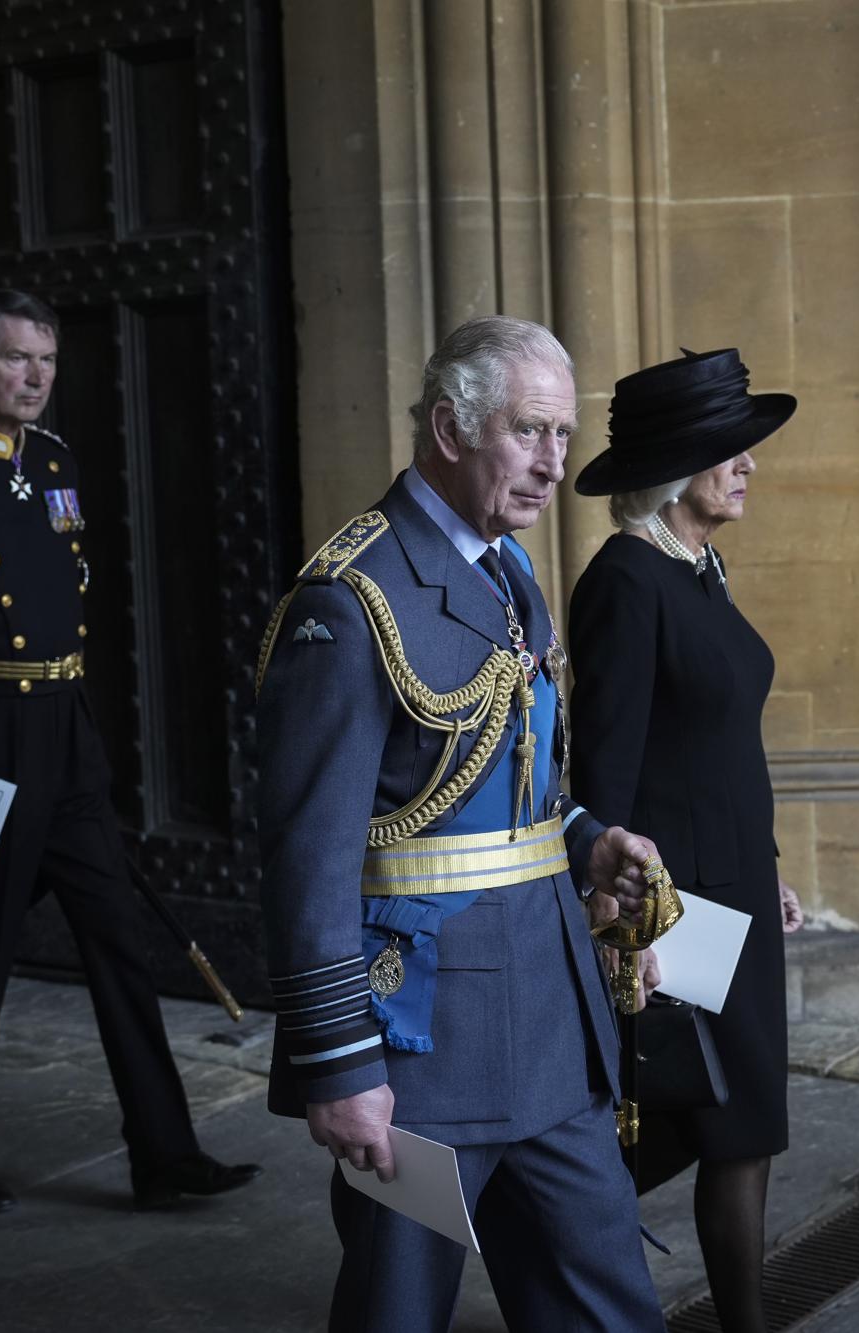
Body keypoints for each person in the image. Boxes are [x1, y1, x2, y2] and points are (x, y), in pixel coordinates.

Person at [257, 316, 667, 1332]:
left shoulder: (506, 571)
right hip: (420, 1047)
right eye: (530, 432)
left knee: (606, 1300)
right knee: (397, 1312)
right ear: (448, 426)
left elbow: (501, 785)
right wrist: (339, 1065)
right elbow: (306, 858)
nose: (552, 463)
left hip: (549, 1022)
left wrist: (585, 839)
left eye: (563, 438)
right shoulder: (351, 599)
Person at [0, 288, 261, 1216]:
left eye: (46, 360)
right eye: (14, 359)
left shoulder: (58, 462)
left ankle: (164, 1150)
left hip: (61, 738)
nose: (34, 377)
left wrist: (82, 745)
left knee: (119, 940)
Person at [568, 347, 802, 1333]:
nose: (748, 463)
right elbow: (604, 779)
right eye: (729, 450)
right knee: (705, 1124)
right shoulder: (625, 581)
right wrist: (627, 928)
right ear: (673, 468)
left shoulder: (697, 565)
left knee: (735, 1125)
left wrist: (771, 871)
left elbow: (717, 746)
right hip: (681, 909)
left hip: (736, 890)